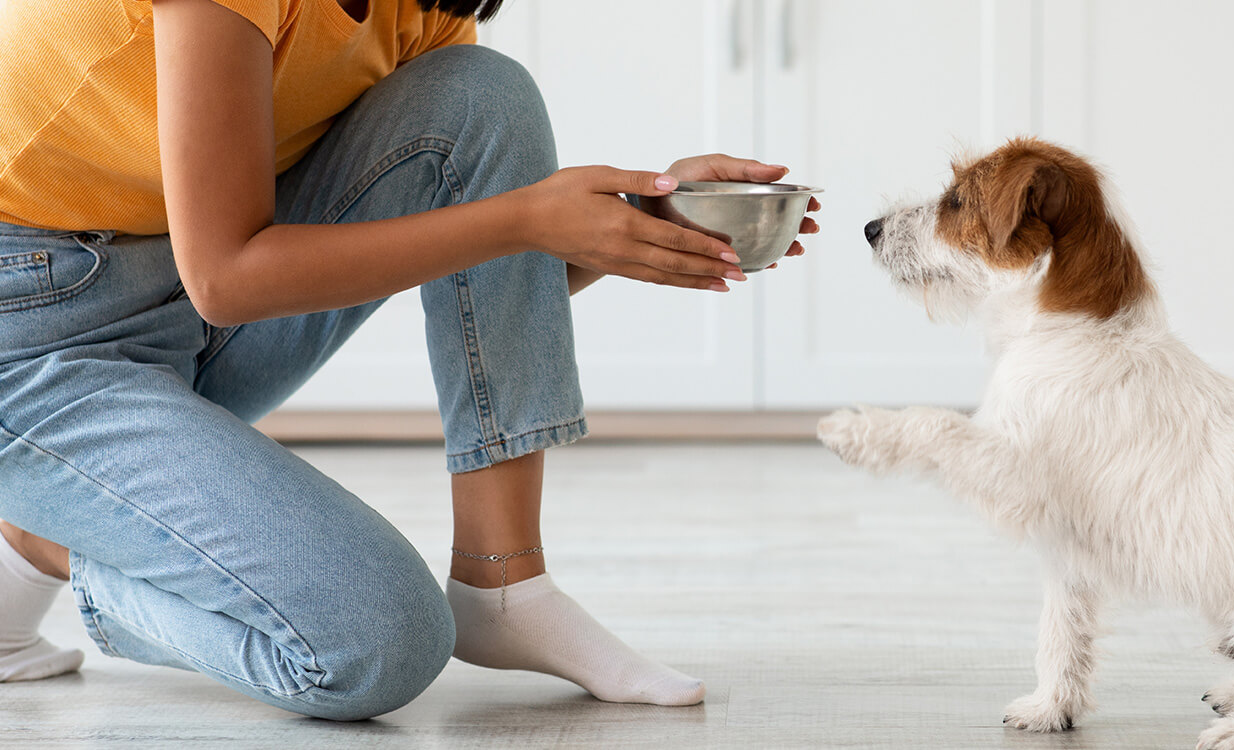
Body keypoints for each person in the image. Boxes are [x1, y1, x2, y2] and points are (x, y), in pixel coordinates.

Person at [0, 0, 818, 720]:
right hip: (32, 332)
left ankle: (506, 583)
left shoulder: (421, 8)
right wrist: (528, 219)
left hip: (175, 289)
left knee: (480, 95)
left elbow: (485, 266)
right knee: (376, 643)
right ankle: (44, 538)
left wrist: (641, 220)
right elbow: (228, 278)